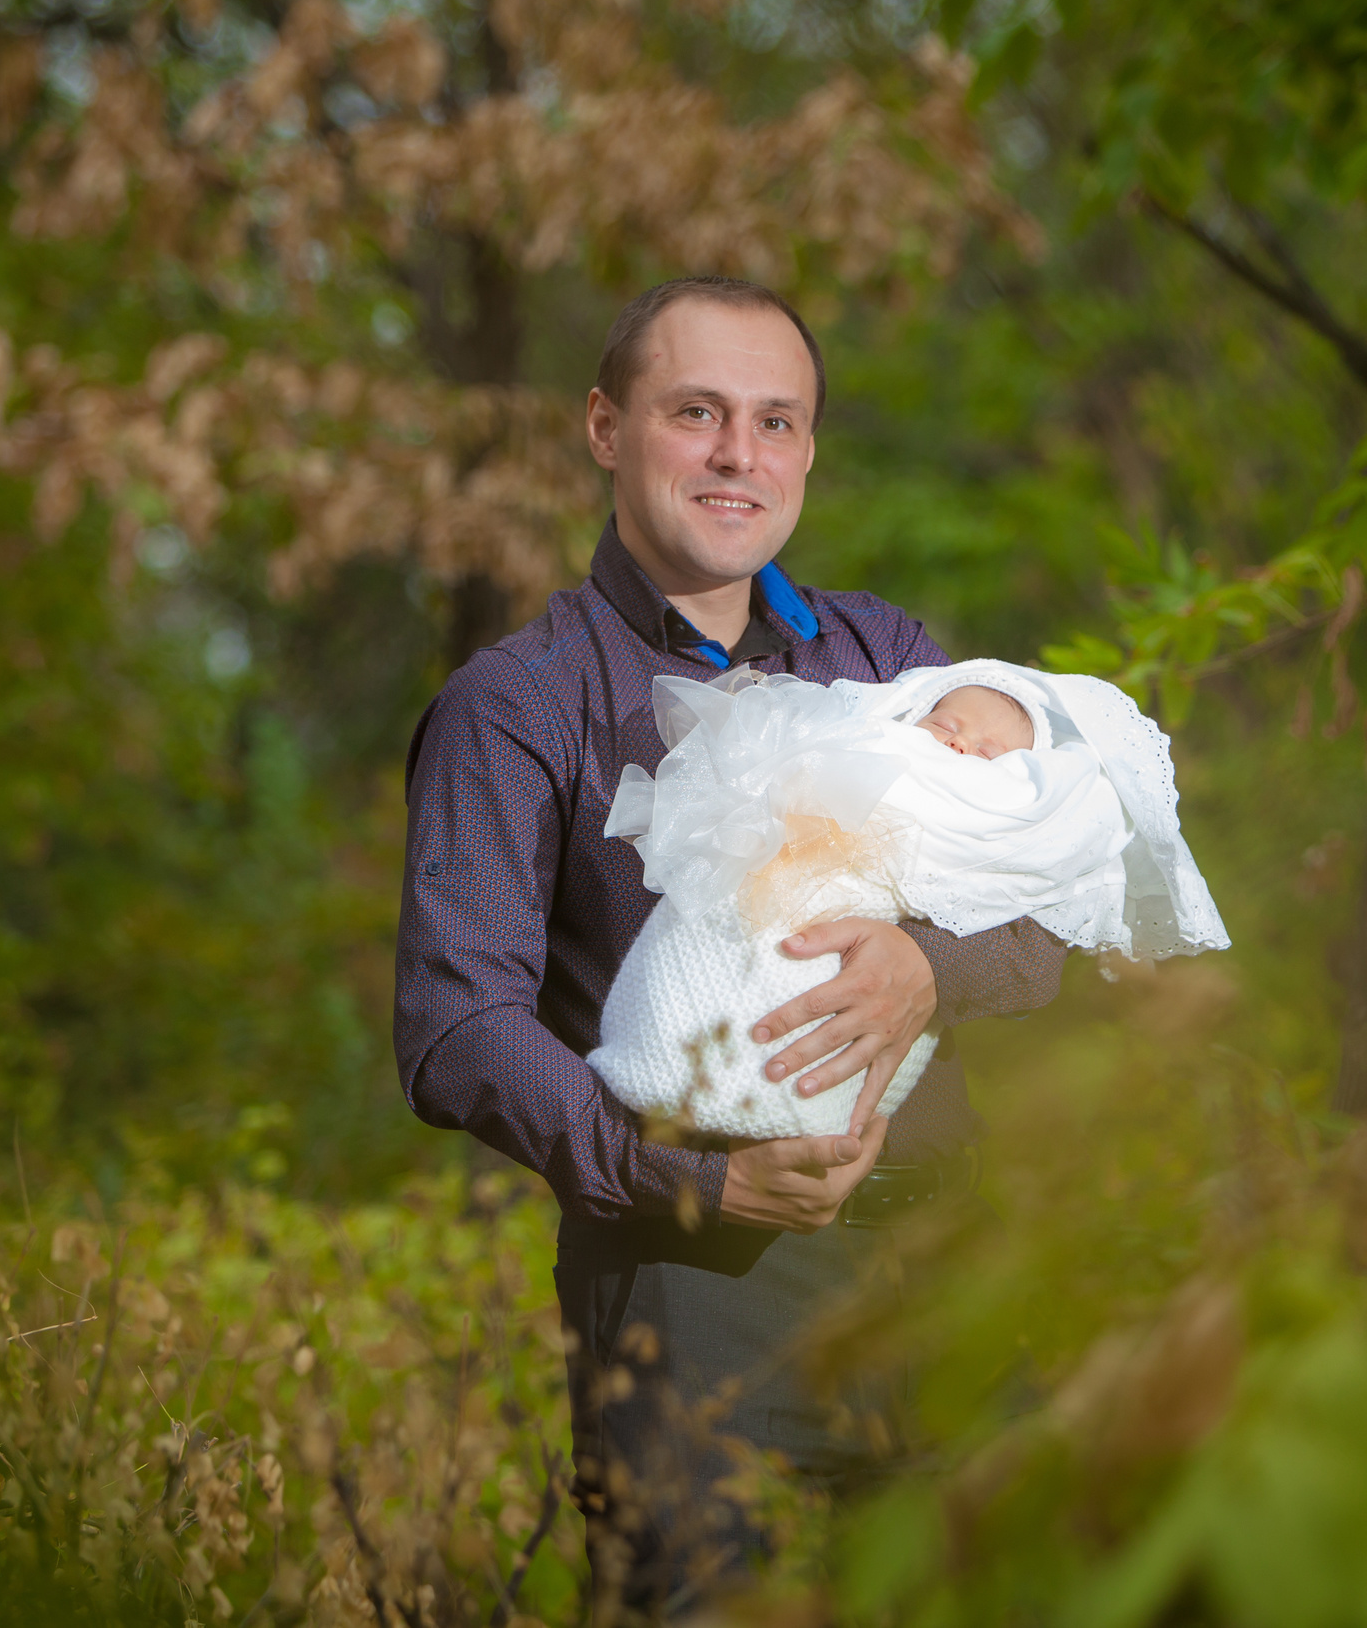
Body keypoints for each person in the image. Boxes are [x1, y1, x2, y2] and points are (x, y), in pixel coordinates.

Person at [393, 277, 1073, 1609]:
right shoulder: (519, 702)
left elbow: (1045, 914)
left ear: (810, 449)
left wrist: (935, 966)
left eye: (776, 421)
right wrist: (682, 1178)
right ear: (606, 425)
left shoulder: (893, 659)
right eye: (695, 411)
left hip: (946, 1278)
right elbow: (456, 1030)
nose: (736, 455)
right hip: (688, 1286)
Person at [587, 660, 1231, 1141]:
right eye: (945, 726)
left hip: (913, 1204)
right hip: (666, 1203)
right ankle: (666, 1059)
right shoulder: (851, 729)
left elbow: (1035, 954)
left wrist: (927, 959)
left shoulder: (883, 635)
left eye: (989, 753)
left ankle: (770, 1097)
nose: (956, 746)